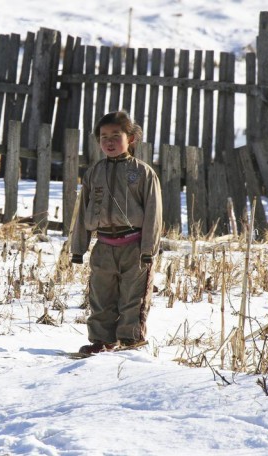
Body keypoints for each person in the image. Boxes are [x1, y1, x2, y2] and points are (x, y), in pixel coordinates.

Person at [70, 110, 163, 354]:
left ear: (130, 139)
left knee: (133, 299)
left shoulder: (143, 173)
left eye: (115, 135)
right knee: (101, 297)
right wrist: (78, 248)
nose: (109, 142)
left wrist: (147, 250)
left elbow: (154, 213)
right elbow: (82, 213)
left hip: (134, 246)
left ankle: (131, 341)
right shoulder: (94, 173)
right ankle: (101, 341)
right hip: (103, 247)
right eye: (103, 137)